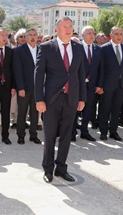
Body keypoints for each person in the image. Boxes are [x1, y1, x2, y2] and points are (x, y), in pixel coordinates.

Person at [35, 17, 86, 183]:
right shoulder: (46, 47)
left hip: (71, 99)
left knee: (66, 136)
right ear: (57, 29)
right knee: (49, 136)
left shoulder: (78, 48)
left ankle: (61, 168)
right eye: (65, 26)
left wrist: (82, 98)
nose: (68, 29)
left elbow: (80, 75)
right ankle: (48, 169)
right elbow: (38, 75)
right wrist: (39, 99)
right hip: (51, 100)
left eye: (70, 26)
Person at [96, 26, 123, 141]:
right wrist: (99, 85)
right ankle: (103, 131)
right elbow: (101, 69)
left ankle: (113, 131)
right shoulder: (104, 49)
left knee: (116, 109)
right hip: (107, 85)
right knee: (105, 109)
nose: (119, 36)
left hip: (121, 85)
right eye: (116, 34)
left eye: (121, 34)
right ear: (111, 35)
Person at [13, 28, 41, 145]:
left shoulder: (41, 49)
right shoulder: (19, 51)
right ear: (26, 37)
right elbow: (17, 71)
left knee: (35, 113)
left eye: (35, 35)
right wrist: (20, 88)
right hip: (24, 88)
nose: (33, 37)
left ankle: (33, 135)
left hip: (38, 88)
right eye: (30, 35)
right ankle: (21, 135)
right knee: (22, 113)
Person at [75, 26, 103, 142]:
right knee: (75, 109)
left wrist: (99, 84)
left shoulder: (98, 49)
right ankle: (72, 132)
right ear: (82, 36)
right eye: (89, 33)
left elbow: (101, 68)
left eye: (93, 33)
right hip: (77, 85)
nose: (92, 35)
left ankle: (84, 131)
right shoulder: (76, 47)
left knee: (88, 109)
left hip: (92, 85)